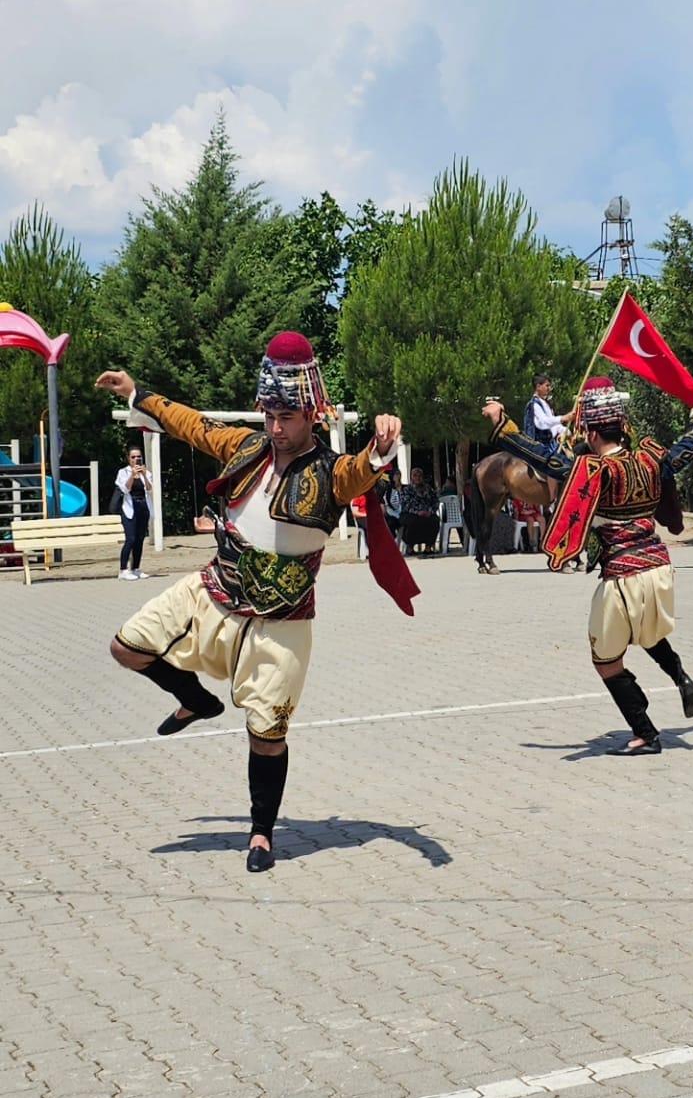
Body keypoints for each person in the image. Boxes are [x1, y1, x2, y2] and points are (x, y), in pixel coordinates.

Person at [96, 333, 413, 872]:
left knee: (268, 736)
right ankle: (195, 700)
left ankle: (262, 832)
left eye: (286, 416)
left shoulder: (332, 470)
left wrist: (381, 449)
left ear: (311, 413)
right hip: (213, 593)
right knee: (127, 646)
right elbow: (189, 422)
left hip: (282, 623)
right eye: (269, 413)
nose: (275, 426)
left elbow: (363, 470)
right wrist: (137, 393)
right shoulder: (244, 447)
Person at [482, 378, 693, 756]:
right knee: (647, 632)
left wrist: (502, 423)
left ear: (590, 429)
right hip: (659, 567)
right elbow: (686, 449)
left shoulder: (593, 471)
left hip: (622, 574)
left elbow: (542, 457)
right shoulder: (652, 460)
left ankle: (645, 731)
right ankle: (679, 675)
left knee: (605, 659)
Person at [115, 443, 154, 579]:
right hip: (129, 509)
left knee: (139, 539)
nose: (136, 459)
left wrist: (142, 474)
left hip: (143, 507)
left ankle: (136, 568)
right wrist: (132, 475)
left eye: (138, 457)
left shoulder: (146, 473)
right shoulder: (123, 472)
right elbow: (125, 489)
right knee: (130, 539)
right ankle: (123, 570)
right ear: (128, 459)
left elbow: (149, 489)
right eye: (133, 457)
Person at [522, 373, 574, 457]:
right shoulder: (534, 404)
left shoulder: (545, 404)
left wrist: (564, 430)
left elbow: (553, 425)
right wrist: (563, 418)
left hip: (552, 445)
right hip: (541, 448)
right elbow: (544, 422)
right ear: (538, 386)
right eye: (547, 386)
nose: (549, 389)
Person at [398, 466, 440, 554]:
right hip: (411, 513)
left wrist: (430, 511)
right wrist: (417, 512)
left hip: (427, 513)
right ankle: (410, 547)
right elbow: (405, 504)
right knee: (413, 522)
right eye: (415, 475)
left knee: (434, 520)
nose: (417, 478)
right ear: (411, 477)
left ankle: (428, 547)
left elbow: (435, 502)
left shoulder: (429, 489)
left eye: (419, 476)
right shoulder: (406, 490)